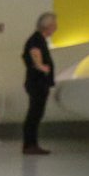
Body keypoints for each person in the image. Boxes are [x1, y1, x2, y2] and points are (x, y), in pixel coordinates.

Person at [21, 12, 56, 155]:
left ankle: (31, 144)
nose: (56, 27)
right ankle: (30, 145)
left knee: (35, 114)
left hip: (37, 82)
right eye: (54, 24)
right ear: (48, 26)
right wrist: (43, 68)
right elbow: (34, 55)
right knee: (34, 114)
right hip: (38, 83)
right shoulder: (36, 40)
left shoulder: (38, 39)